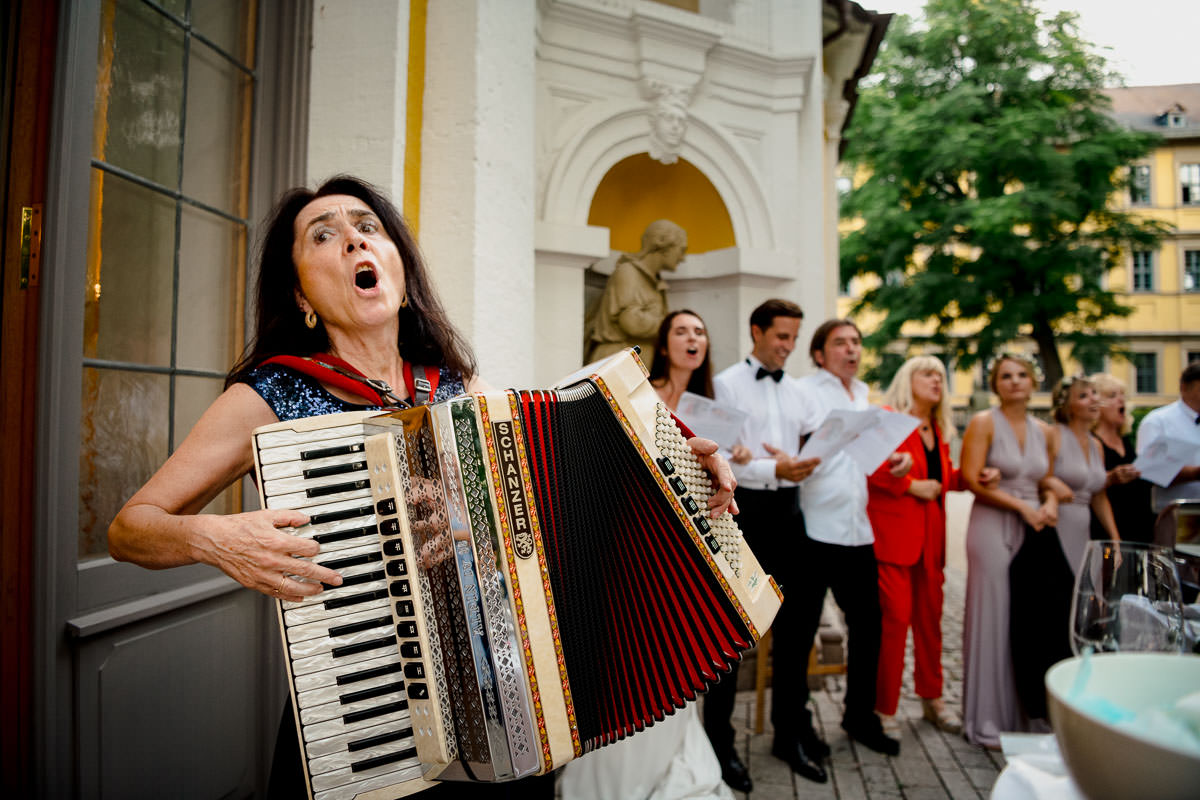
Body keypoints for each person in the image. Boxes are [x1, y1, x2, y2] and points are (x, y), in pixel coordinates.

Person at [106, 176, 736, 798]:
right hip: (363, 716)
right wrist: (214, 537)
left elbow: (566, 496)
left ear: (400, 272)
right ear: (300, 292)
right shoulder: (269, 397)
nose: (354, 241)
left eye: (368, 227)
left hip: (502, 714)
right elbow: (132, 528)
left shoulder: (468, 393)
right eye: (324, 235)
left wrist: (680, 465)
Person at [561, 309, 732, 800]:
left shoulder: (716, 403)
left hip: (696, 547)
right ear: (665, 340)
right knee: (634, 655)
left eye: (700, 330)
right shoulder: (639, 390)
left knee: (682, 656)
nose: (692, 338)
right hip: (636, 542)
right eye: (682, 330)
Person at [706, 298, 823, 791]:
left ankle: (789, 733)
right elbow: (717, 460)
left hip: (792, 512)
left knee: (798, 629)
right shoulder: (726, 384)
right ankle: (720, 744)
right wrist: (771, 466)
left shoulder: (798, 391)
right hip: (744, 513)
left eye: (794, 338)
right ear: (756, 331)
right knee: (732, 632)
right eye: (781, 337)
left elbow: (814, 446)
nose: (788, 347)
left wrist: (803, 461)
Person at [792, 319, 909, 761]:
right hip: (812, 527)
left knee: (869, 627)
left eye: (857, 342)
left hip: (857, 528)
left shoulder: (862, 395)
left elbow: (861, 458)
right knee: (800, 632)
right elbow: (797, 454)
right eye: (840, 343)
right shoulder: (805, 392)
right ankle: (797, 725)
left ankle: (859, 717)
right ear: (820, 354)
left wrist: (893, 459)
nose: (852, 350)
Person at [960, 353, 1059, 749]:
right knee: (993, 616)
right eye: (1005, 376)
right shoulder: (984, 423)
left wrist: (1049, 504)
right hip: (991, 524)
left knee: (1028, 618)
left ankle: (1025, 713)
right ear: (995, 384)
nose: (1014, 381)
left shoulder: (1046, 431)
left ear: (1033, 382)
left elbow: (1047, 479)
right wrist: (1022, 507)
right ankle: (987, 718)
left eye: (1021, 375)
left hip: (1034, 526)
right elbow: (970, 479)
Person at [867, 356, 967, 739]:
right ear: (908, 379)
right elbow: (871, 468)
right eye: (928, 373)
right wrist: (908, 485)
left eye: (941, 375)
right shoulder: (889, 418)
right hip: (894, 542)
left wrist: (972, 476)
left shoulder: (938, 431)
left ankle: (932, 699)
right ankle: (885, 707)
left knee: (931, 625)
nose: (936, 380)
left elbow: (942, 478)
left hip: (932, 544)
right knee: (894, 623)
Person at [1046, 375, 1122, 575]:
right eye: (1083, 396)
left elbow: (1098, 494)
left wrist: (1115, 539)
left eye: (1094, 393)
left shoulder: (1096, 444)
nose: (1094, 399)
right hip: (1056, 524)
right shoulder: (1053, 435)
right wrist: (1052, 483)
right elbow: (1039, 477)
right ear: (1067, 406)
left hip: (1085, 526)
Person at [583, 220, 687, 365]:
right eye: (681, 250)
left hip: (636, 361)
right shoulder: (628, 272)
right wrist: (672, 325)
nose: (682, 258)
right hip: (616, 361)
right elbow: (631, 322)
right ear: (664, 246)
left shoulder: (654, 281)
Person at [1089, 373, 1155, 543]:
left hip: (1139, 525)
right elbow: (1086, 485)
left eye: (1122, 395)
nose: (1121, 400)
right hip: (1107, 528)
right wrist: (1111, 478)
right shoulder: (1090, 441)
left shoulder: (1125, 439)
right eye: (1112, 396)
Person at [1136, 361, 1200, 514]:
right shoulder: (1158, 421)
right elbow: (1149, 471)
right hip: (1174, 513)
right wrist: (1196, 473)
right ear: (1184, 387)